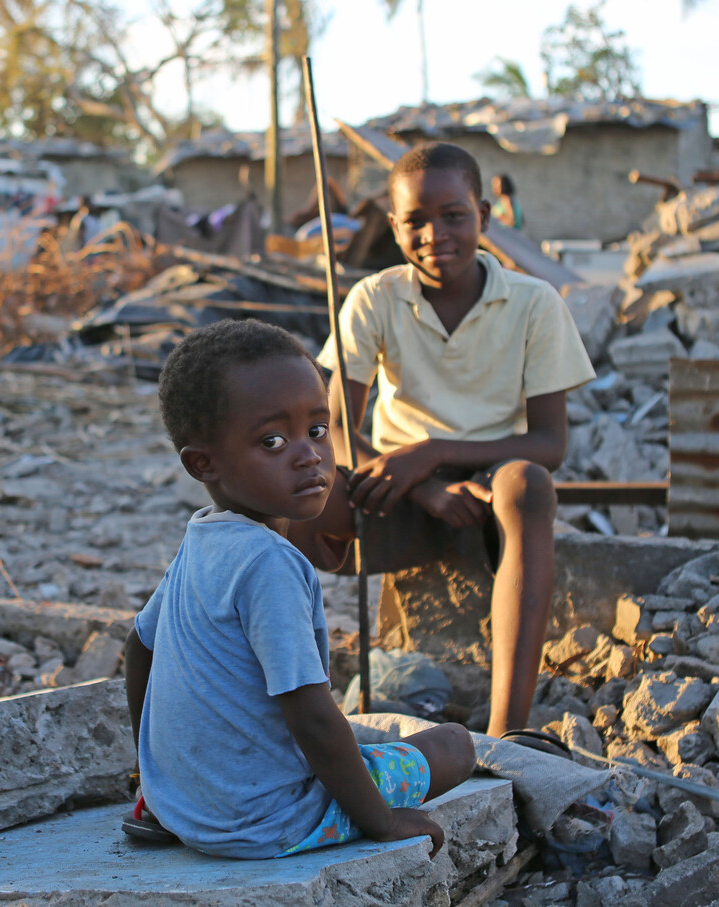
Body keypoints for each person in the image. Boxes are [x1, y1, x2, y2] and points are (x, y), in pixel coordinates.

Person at [125, 319, 475, 859]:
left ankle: (160, 800)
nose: (309, 454)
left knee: (364, 735)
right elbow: (309, 715)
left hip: (185, 808)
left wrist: (156, 776)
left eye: (317, 429)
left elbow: (139, 646)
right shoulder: (270, 563)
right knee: (454, 745)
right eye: (272, 440)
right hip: (270, 820)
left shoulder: (204, 538)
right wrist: (380, 822)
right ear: (203, 463)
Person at [289, 142, 595, 738]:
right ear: (395, 226)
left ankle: (509, 731)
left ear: (484, 214)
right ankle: (293, 702)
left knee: (528, 485)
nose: (435, 235)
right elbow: (339, 429)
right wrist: (423, 484)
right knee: (283, 496)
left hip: (486, 485)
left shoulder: (534, 303)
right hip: (392, 485)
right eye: (415, 222)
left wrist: (434, 454)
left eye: (453, 215)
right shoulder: (374, 297)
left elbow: (550, 443)